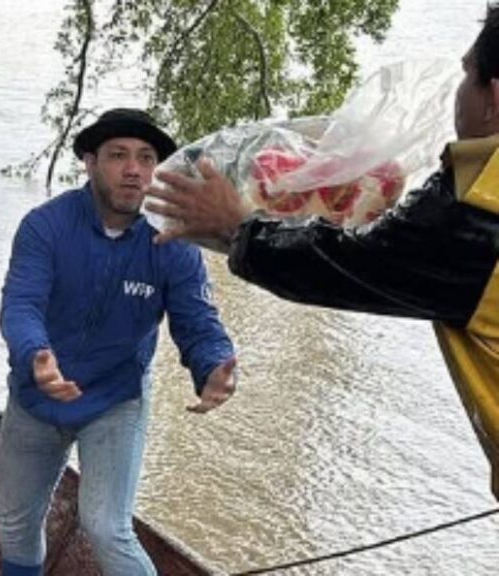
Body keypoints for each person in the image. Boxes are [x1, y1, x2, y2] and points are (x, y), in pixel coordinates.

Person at [146, 6, 499, 502]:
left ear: (495, 98)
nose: (457, 93)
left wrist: (237, 225)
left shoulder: (481, 216)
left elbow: (340, 266)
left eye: (467, 76)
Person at [0, 108, 237, 575]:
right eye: (119, 155)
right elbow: (21, 304)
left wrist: (213, 364)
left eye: (147, 158)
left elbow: (197, 319)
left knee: (107, 527)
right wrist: (36, 357)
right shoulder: (45, 225)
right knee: (14, 521)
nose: (134, 169)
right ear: (90, 162)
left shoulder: (172, 240)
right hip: (35, 394)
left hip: (115, 397)